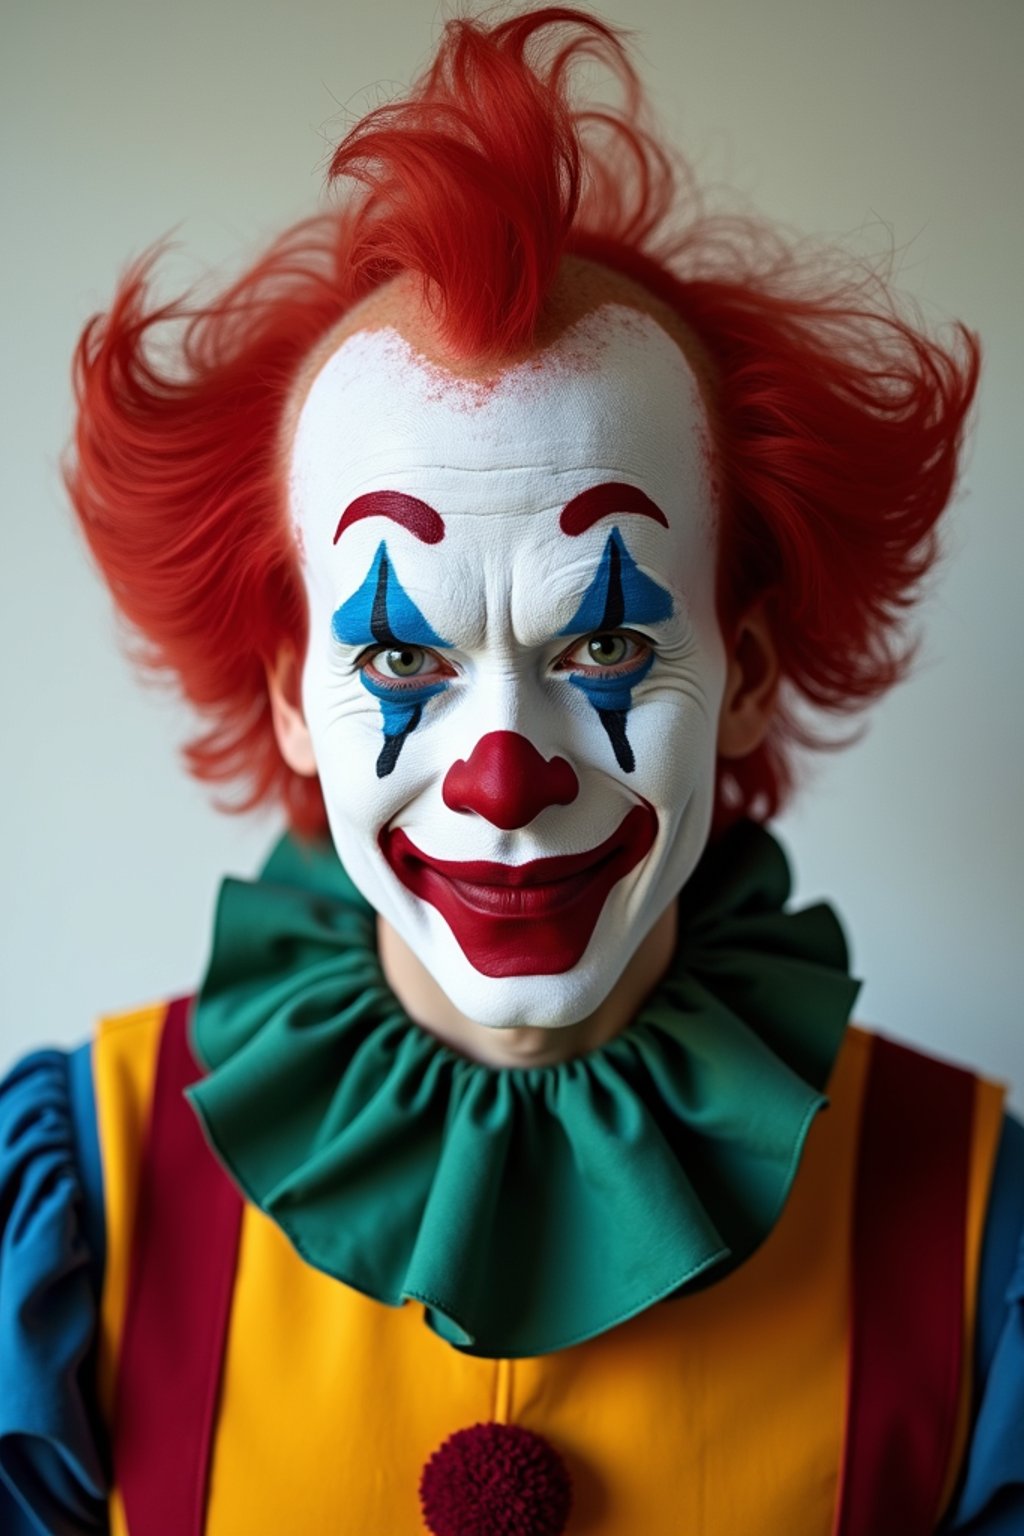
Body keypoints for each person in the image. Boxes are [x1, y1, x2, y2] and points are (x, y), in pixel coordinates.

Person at [1, 8, 1020, 1534]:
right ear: (290, 700)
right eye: (401, 660)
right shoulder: (77, 1206)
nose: (499, 776)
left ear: (739, 673)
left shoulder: (977, 1228)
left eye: (605, 644)